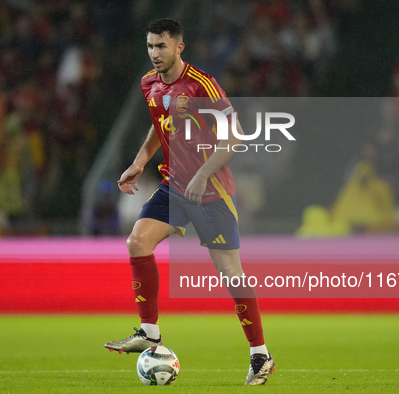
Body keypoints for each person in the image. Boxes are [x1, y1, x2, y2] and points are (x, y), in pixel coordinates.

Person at [104, 19, 274, 386]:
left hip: (211, 191)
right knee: (137, 241)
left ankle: (260, 355)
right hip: (174, 187)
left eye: (161, 46)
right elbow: (158, 122)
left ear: (179, 47)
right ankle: (150, 332)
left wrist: (201, 174)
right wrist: (139, 162)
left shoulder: (202, 86)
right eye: (150, 46)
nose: (154, 54)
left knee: (231, 274)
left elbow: (235, 137)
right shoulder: (149, 83)